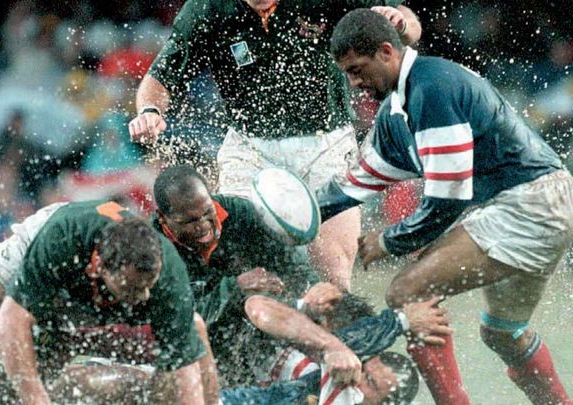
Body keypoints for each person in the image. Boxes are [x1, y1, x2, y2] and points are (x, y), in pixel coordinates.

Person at [316, 9, 573, 405]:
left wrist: (390, 241)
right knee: (502, 333)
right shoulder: (398, 110)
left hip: (531, 205)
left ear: (387, 52)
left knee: (408, 292)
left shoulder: (432, 87)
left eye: (358, 69)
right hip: (538, 203)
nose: (354, 83)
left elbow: (446, 198)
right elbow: (356, 184)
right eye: (347, 73)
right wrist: (289, 218)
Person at [128, 0, 422, 291]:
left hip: (327, 143)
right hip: (249, 149)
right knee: (244, 270)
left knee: (334, 277)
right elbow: (161, 75)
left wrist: (402, 23)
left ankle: (333, 328)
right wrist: (150, 112)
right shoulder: (207, 8)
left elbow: (409, 26)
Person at [0, 201, 218, 404]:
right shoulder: (60, 243)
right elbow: (10, 322)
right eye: (131, 287)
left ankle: (4, 366)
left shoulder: (167, 278)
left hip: (83, 284)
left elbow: (186, 372)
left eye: (147, 287)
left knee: (2, 388)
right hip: (47, 244)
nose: (142, 299)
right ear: (100, 268)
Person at [8, 286, 451, 405]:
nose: (358, 369)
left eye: (371, 381)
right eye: (369, 367)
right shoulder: (317, 344)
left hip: (215, 390)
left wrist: (397, 320)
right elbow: (260, 307)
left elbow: (344, 351)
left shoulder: (333, 384)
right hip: (213, 374)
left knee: (139, 383)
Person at [152, 164, 322, 385]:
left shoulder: (241, 213)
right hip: (197, 359)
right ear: (163, 219)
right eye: (190, 221)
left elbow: (296, 270)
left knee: (316, 375)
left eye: (207, 212)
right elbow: (179, 321)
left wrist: (317, 294)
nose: (203, 226)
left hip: (260, 339)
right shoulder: (152, 251)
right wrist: (235, 287)